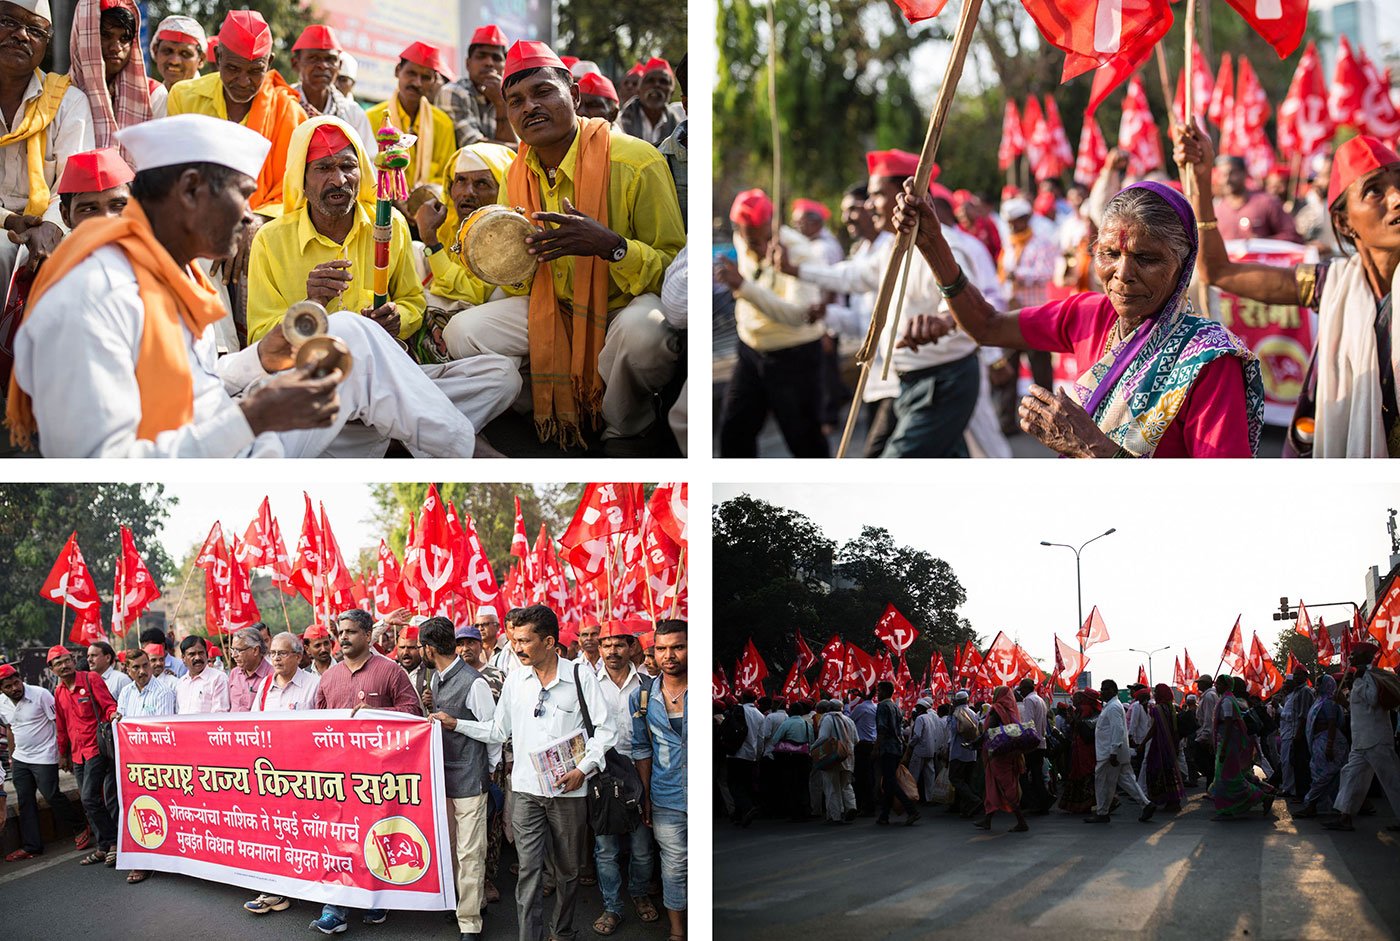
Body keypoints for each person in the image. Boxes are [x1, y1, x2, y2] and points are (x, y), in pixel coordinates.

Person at [9, 111, 494, 458]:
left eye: (347, 167)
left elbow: (201, 389)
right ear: (192, 190)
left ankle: (444, 446)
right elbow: (103, 468)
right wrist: (252, 418)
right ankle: (469, 456)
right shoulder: (94, 297)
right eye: (241, 196)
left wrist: (263, 356)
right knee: (351, 336)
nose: (249, 215)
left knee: (366, 355)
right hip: (221, 468)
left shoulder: (173, 278)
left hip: (234, 437)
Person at [896, 174, 1264, 457]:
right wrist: (933, 246)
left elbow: (1221, 495)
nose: (1122, 274)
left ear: (1182, 265)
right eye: (1109, 254)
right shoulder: (1091, 313)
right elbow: (986, 326)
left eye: (1147, 258)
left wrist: (1090, 446)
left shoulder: (1209, 362)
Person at [441, 40, 684, 453]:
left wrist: (613, 247)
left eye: (542, 92)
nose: (529, 107)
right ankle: (540, 405)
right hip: (555, 306)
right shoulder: (516, 174)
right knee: (463, 331)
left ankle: (623, 427)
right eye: (515, 100)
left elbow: (674, 272)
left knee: (646, 335)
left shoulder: (635, 161)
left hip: (623, 305)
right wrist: (508, 262)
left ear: (573, 95)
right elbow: (520, 283)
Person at [1177, 127, 1400, 457]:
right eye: (1374, 192)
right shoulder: (1331, 284)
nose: (1397, 197)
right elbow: (1218, 272)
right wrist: (1202, 179)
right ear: (1343, 222)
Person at [787, 150, 989, 458]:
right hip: (909, 384)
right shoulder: (891, 249)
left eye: (877, 195)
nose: (869, 206)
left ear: (907, 195)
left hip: (943, 382)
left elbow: (964, 302)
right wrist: (795, 270)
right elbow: (850, 276)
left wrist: (944, 321)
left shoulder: (947, 245)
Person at [451, 604, 616, 941]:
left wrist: (583, 770)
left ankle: (563, 931)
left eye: (525, 641)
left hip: (570, 793)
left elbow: (607, 730)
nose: (517, 647)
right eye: (514, 640)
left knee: (569, 871)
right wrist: (456, 724)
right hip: (526, 791)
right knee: (529, 871)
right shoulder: (515, 680)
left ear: (550, 641)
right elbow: (498, 731)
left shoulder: (580, 677)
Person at [306, 608, 422, 933]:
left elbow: (413, 712)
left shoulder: (390, 671)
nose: (343, 637)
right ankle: (335, 910)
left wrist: (380, 714)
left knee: (374, 837)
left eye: (351, 632)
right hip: (337, 778)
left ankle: (376, 899)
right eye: (340, 632)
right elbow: (316, 724)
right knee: (338, 840)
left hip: (377, 778)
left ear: (368, 636)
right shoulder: (329, 677)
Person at [716, 188, 827, 457]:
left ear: (771, 223)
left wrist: (743, 286)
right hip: (751, 351)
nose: (754, 244)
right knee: (733, 434)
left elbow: (798, 316)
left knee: (804, 441)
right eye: (748, 237)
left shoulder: (799, 251)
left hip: (794, 356)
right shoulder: (742, 237)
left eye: (760, 237)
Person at [166, 9, 305, 218]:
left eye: (255, 71)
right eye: (232, 68)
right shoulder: (184, 97)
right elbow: (174, 172)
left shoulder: (290, 112)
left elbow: (292, 189)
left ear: (269, 63)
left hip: (262, 235)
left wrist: (257, 221)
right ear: (219, 56)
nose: (243, 81)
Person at [0, 0, 94, 301]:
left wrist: (51, 226)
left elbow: (73, 183)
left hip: (49, 227)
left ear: (46, 44)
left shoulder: (68, 103)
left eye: (35, 31)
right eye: (8, 22)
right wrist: (8, 220)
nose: (21, 35)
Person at [421, 617, 497, 941]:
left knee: (470, 851)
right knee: (451, 849)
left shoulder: (474, 682)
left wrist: (456, 724)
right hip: (444, 777)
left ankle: (470, 923)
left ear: (428, 648)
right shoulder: (435, 679)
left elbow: (495, 731)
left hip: (469, 777)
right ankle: (468, 901)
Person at [592, 623, 658, 933]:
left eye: (620, 644)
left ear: (631, 647)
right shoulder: (588, 684)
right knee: (605, 848)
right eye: (607, 645)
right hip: (603, 772)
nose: (613, 651)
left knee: (642, 845)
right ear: (599, 649)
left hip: (641, 768)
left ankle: (639, 893)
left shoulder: (648, 685)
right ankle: (612, 907)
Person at [1, 662, 92, 861]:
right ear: (1, 689)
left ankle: (80, 826)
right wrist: (11, 755)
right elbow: (10, 728)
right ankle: (32, 846)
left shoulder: (40, 694)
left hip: (45, 754)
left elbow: (59, 722)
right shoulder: (2, 702)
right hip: (20, 758)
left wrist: (63, 753)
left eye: (16, 682)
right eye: (8, 687)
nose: (14, 688)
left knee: (51, 794)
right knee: (25, 800)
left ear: (20, 678)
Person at [631, 620, 687, 941]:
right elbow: (642, 749)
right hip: (664, 795)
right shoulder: (642, 697)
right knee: (674, 866)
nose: (670, 655)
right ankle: (678, 933)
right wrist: (647, 796)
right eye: (661, 649)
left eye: (678, 647)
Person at [47, 645, 119, 867]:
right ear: (52, 669)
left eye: (67, 660)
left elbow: (108, 705)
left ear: (73, 660)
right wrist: (63, 754)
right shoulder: (58, 692)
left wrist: (114, 714)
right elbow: (61, 725)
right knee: (87, 802)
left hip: (96, 747)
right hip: (77, 753)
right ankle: (103, 846)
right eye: (58, 663)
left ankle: (114, 842)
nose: (64, 665)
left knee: (90, 797)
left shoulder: (90, 679)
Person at [993, 196, 1058, 434]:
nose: (1012, 226)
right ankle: (1006, 423)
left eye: (1016, 221)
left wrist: (1018, 276)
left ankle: (1049, 421)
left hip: (1035, 315)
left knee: (1040, 370)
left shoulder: (1041, 243)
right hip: (1010, 315)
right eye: (1009, 222)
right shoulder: (1009, 244)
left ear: (1026, 219)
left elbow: (1046, 272)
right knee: (1008, 369)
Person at [67, 0, 161, 150]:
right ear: (84, 36)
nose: (116, 47)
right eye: (105, 35)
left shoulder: (153, 95)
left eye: (124, 39)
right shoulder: (59, 95)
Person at [1326, 642, 1400, 831]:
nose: (1351, 656)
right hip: (1361, 741)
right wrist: (1344, 700)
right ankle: (1345, 818)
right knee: (1350, 776)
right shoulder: (1358, 678)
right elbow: (1359, 710)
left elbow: (1373, 700)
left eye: (1354, 653)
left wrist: (1359, 681)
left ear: (1365, 656)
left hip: (1377, 740)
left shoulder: (1372, 676)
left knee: (1392, 780)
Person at [366, 42, 457, 192]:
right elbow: (367, 173)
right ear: (397, 71)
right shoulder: (372, 118)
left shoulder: (443, 123)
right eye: (411, 73)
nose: (417, 83)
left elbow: (447, 176)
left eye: (426, 77)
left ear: (434, 81)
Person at [287, 26, 373, 151]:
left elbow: (367, 163)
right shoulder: (282, 105)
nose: (323, 66)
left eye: (330, 59)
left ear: (339, 66)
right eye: (313, 58)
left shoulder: (353, 114)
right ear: (296, 64)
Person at [1087, 678, 1156, 823]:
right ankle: (1146, 804)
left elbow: (1117, 730)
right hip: (1115, 751)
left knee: (1103, 782)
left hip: (1109, 753)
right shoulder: (1111, 706)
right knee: (1127, 780)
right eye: (1102, 688)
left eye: (1106, 689)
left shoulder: (1113, 707)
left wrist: (1113, 752)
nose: (1102, 691)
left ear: (1114, 691)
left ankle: (1102, 812)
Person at [1208, 675, 1275, 820]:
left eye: (1218, 684)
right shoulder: (1228, 699)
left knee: (1232, 779)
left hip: (1229, 744)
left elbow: (1228, 725)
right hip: (1227, 743)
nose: (1216, 686)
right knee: (1224, 778)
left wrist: (1224, 747)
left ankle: (1263, 796)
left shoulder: (1227, 701)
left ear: (1226, 685)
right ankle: (1226, 809)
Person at [437, 25, 515, 148]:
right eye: (481, 56)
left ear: (505, 67)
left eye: (496, 58)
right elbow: (473, 147)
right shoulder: (453, 92)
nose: (489, 63)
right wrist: (522, 151)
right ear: (468, 64)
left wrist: (500, 103)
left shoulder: (509, 98)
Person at [1209, 154, 1302, 242]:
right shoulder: (1215, 209)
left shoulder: (1267, 203)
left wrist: (1262, 243)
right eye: (1222, 175)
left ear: (1244, 173)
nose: (1227, 180)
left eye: (1232, 173)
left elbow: (1292, 236)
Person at [1294, 672, 1347, 819]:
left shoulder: (1329, 702)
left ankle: (1311, 806)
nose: (1316, 687)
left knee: (1324, 775)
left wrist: (1329, 746)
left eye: (1318, 684)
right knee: (1322, 774)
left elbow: (1331, 724)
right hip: (1320, 740)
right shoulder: (1319, 701)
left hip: (1329, 742)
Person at [976, 684, 1027, 832]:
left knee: (1006, 787)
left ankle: (1021, 821)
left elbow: (988, 730)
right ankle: (987, 819)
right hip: (1009, 753)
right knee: (993, 785)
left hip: (997, 754)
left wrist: (976, 742)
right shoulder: (1013, 710)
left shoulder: (996, 709)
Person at [874, 681, 919, 826]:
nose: (877, 693)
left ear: (886, 692)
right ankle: (884, 815)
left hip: (887, 747)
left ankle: (911, 810)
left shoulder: (883, 706)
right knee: (888, 782)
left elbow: (882, 729)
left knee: (890, 781)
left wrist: (875, 748)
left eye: (879, 691)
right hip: (897, 747)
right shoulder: (895, 706)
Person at [1142, 683, 1185, 811]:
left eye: (1156, 692)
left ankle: (1166, 799)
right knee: (1170, 771)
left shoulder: (1157, 709)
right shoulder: (1171, 707)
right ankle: (1174, 800)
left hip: (1160, 745)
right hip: (1171, 743)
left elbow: (1154, 729)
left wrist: (1143, 743)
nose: (1154, 694)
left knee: (1157, 770)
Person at [251, 631, 320, 711]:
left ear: (298, 657)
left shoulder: (314, 684)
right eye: (273, 653)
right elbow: (256, 719)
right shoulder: (265, 684)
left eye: (283, 653)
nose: (276, 658)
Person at [616, 57, 679, 145]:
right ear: (638, 90)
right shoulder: (619, 123)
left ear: (671, 92)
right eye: (650, 81)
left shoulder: (679, 128)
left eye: (663, 81)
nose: (656, 85)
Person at [813, 699, 856, 824]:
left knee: (832, 786)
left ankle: (835, 816)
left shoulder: (827, 719)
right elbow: (856, 740)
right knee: (846, 784)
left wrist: (812, 748)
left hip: (832, 757)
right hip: (848, 757)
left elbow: (823, 737)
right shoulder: (849, 720)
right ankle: (851, 806)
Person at [1058, 688, 1100, 814]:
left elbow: (1080, 725)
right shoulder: (1089, 708)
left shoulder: (1084, 708)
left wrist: (1072, 716)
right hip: (1082, 744)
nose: (1073, 700)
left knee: (1084, 771)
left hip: (1083, 746)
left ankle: (1086, 802)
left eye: (1076, 698)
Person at [728, 691, 765, 827]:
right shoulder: (760, 716)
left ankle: (747, 808)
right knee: (745, 783)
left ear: (743, 698)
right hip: (751, 755)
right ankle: (740, 815)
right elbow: (761, 738)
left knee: (734, 784)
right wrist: (758, 754)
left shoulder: (738, 710)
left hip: (735, 753)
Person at [1016, 677, 1050, 813]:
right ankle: (1042, 802)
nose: (1020, 692)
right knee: (1036, 775)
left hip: (1032, 743)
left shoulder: (1029, 700)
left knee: (1024, 774)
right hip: (1041, 742)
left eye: (1021, 689)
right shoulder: (1040, 700)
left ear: (1026, 688)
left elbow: (1028, 723)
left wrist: (1025, 743)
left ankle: (1034, 802)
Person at [147, 15, 205, 94]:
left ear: (201, 59)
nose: (174, 61)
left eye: (185, 54)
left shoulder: (210, 101)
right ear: (155, 52)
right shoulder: (150, 97)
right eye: (167, 51)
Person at [946, 690, 982, 816]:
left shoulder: (956, 713)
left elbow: (953, 730)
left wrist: (950, 716)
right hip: (971, 752)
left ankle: (973, 800)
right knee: (966, 780)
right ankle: (961, 807)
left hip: (958, 751)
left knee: (955, 778)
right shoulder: (973, 713)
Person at [174, 635, 230, 714]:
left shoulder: (218, 678)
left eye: (201, 653)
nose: (197, 658)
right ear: (183, 658)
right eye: (192, 654)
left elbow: (220, 714)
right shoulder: (181, 683)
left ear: (206, 655)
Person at [909, 698, 948, 802]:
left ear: (919, 708)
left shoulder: (920, 718)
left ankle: (911, 797)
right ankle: (929, 798)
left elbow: (917, 735)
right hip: (930, 750)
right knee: (930, 776)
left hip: (920, 751)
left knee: (914, 775)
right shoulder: (932, 717)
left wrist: (910, 745)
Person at [227, 626, 273, 712]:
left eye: (239, 650)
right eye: (232, 650)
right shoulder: (234, 673)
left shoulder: (272, 676)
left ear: (255, 650)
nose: (234, 655)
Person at [1194, 675, 1220, 787]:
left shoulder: (1209, 696)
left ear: (1205, 684)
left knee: (1206, 762)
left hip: (1207, 734)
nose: (1198, 684)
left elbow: (1209, 719)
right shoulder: (1208, 695)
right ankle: (1211, 787)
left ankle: (1212, 787)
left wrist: (1205, 737)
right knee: (1210, 764)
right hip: (1208, 733)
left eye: (1200, 682)